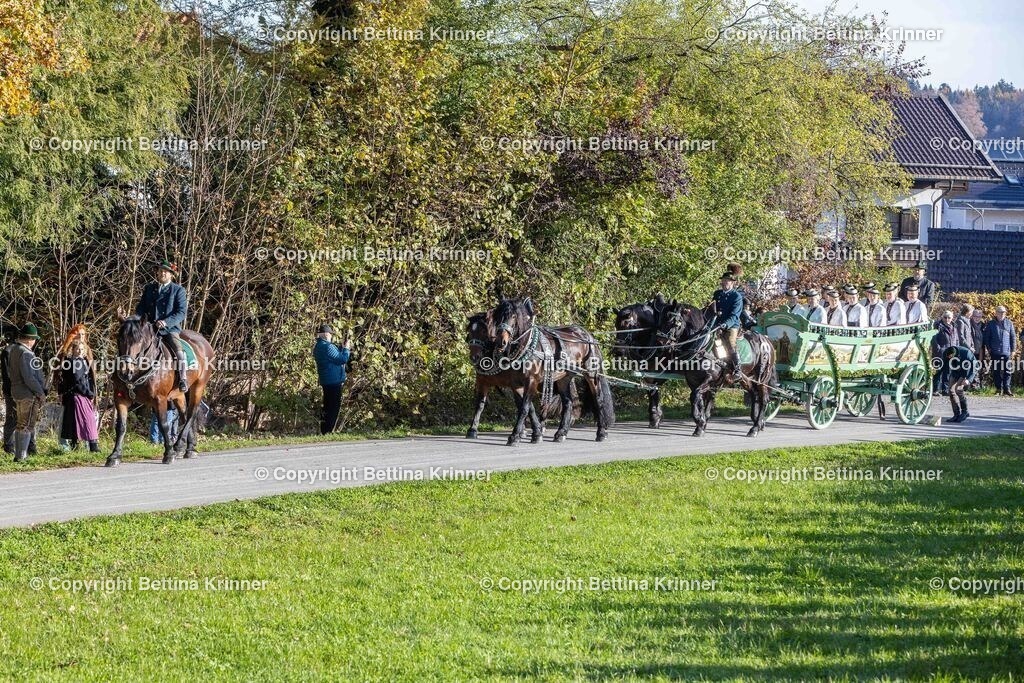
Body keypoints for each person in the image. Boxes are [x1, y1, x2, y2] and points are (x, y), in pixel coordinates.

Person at [121, 260, 189, 393]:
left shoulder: (178, 290)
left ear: (171, 275)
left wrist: (166, 322)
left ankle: (183, 378)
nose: (162, 273)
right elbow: (140, 309)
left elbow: (181, 312)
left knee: (178, 349)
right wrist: (130, 319)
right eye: (160, 270)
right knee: (132, 344)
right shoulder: (149, 288)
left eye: (165, 271)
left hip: (169, 329)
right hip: (149, 328)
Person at [7, 324, 47, 463]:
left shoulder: (13, 350)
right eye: (34, 339)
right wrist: (40, 392)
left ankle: (19, 455)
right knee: (27, 425)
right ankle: (21, 456)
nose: (35, 341)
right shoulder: (26, 353)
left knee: (20, 424)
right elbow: (29, 377)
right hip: (27, 393)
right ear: (29, 339)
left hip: (16, 392)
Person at [57, 340, 100, 452]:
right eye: (77, 349)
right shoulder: (75, 362)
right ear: (73, 349)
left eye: (82, 349)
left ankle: (75, 446)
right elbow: (78, 381)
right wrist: (89, 393)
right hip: (79, 395)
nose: (80, 351)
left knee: (75, 422)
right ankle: (93, 447)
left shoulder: (74, 361)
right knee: (88, 420)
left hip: (75, 395)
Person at [2, 330, 36, 455]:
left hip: (23, 390)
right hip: (14, 390)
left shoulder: (25, 351)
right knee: (13, 419)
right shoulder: (9, 351)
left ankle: (29, 448)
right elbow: (8, 374)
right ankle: (10, 448)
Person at [314, 324, 351, 434]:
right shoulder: (327, 347)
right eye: (330, 334)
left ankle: (324, 430)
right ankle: (328, 431)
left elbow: (333, 357)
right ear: (326, 334)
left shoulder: (319, 346)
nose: (331, 336)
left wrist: (341, 348)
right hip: (333, 382)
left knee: (327, 406)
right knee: (333, 408)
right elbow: (342, 359)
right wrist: (347, 349)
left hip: (326, 381)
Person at [711, 271, 744, 381]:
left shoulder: (737, 296)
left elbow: (735, 315)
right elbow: (711, 309)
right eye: (723, 280)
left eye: (727, 281)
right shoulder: (717, 294)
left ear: (732, 283)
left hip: (731, 325)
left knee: (730, 342)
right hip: (716, 324)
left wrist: (725, 324)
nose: (724, 282)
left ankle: (737, 369)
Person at [983, 306, 1016, 396]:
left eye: (1003, 312)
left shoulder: (1009, 323)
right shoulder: (991, 324)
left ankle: (1007, 389)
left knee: (1008, 371)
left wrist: (1013, 350)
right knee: (996, 371)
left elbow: (1013, 337)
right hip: (995, 352)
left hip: (1007, 352)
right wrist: (989, 349)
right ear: (996, 313)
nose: (1002, 314)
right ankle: (998, 389)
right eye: (1000, 312)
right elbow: (987, 338)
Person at [943, 345, 978, 423]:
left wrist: (969, 379)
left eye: (951, 357)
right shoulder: (946, 353)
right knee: (951, 390)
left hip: (965, 372)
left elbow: (975, 366)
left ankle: (965, 411)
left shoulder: (966, 353)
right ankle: (956, 413)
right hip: (955, 371)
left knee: (958, 390)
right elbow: (944, 366)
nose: (949, 358)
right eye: (948, 357)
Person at [931, 310, 958, 395]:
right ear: (942, 317)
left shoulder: (954, 326)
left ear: (952, 318)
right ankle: (935, 390)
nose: (947, 319)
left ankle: (945, 390)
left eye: (949, 317)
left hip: (950, 353)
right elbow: (933, 339)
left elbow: (956, 340)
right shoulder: (938, 326)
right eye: (945, 317)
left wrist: (956, 350)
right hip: (940, 353)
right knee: (938, 372)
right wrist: (939, 349)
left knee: (948, 372)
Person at [970, 309, 986, 389]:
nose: (977, 318)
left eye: (979, 316)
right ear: (972, 316)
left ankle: (978, 385)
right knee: (970, 367)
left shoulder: (983, 325)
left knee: (980, 366)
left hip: (980, 349)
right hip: (971, 349)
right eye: (975, 316)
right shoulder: (969, 324)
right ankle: (971, 385)